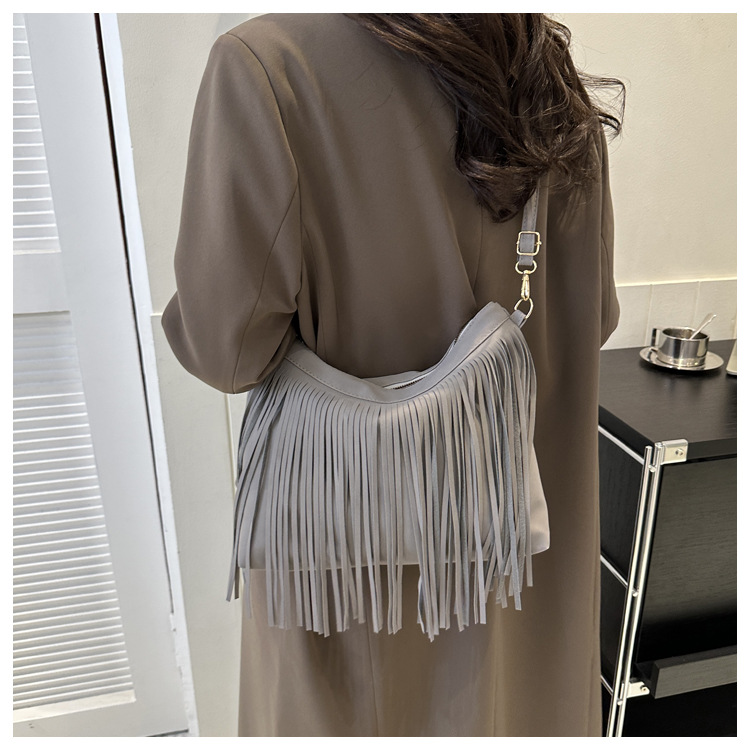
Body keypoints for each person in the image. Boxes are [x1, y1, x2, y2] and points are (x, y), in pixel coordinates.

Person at [161, 13, 623, 737]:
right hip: (528, 567)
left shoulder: (269, 66)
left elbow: (227, 349)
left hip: (358, 587)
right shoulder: (548, 79)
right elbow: (592, 319)